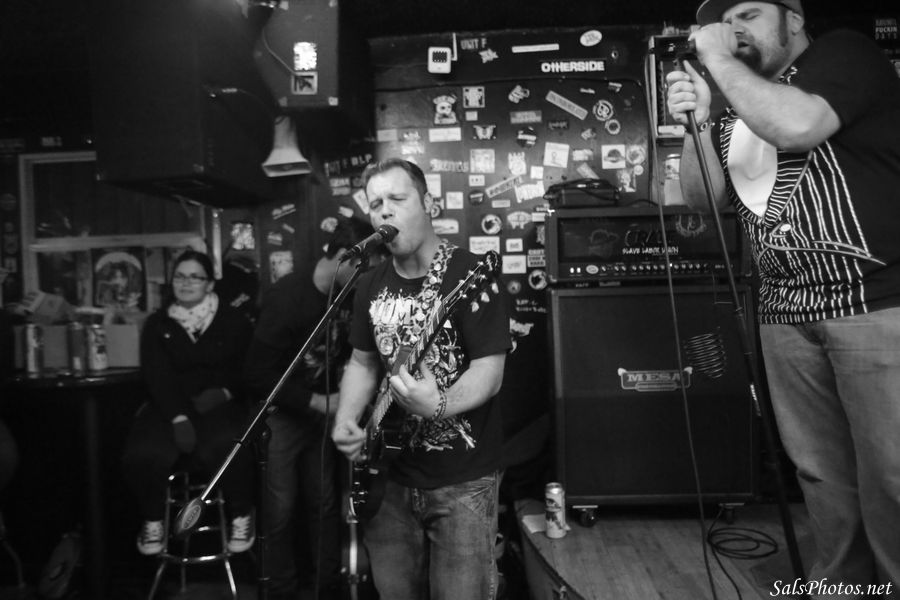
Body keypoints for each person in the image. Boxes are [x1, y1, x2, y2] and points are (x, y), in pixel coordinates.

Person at [666, 0, 900, 594]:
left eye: (748, 13)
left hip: (872, 304)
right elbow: (701, 198)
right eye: (723, 21)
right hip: (783, 313)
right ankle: (844, 586)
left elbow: (798, 126)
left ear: (792, 19)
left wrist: (717, 57)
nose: (733, 28)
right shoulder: (737, 101)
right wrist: (698, 121)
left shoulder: (843, 54)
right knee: (821, 475)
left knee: (892, 474)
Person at [331, 158, 512, 600]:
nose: (385, 211)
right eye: (376, 204)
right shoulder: (369, 283)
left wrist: (439, 404)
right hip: (386, 475)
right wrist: (348, 418)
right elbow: (363, 362)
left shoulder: (470, 274)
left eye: (397, 198)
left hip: (462, 480)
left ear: (429, 204)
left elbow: (490, 373)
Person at [244, 217, 383, 600]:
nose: (368, 279)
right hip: (284, 418)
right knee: (280, 510)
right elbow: (255, 374)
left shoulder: (351, 295)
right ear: (344, 258)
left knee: (323, 505)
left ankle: (326, 587)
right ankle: (282, 592)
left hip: (323, 418)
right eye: (365, 270)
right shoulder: (287, 298)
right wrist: (318, 401)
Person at [121, 250, 257, 556]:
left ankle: (241, 514)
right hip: (168, 405)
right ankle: (153, 519)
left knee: (231, 444)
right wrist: (178, 416)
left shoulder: (234, 320)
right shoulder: (158, 324)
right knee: (142, 453)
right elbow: (156, 376)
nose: (186, 283)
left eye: (195, 277)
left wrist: (225, 392)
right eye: (180, 276)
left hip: (218, 404)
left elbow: (246, 369)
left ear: (209, 284)